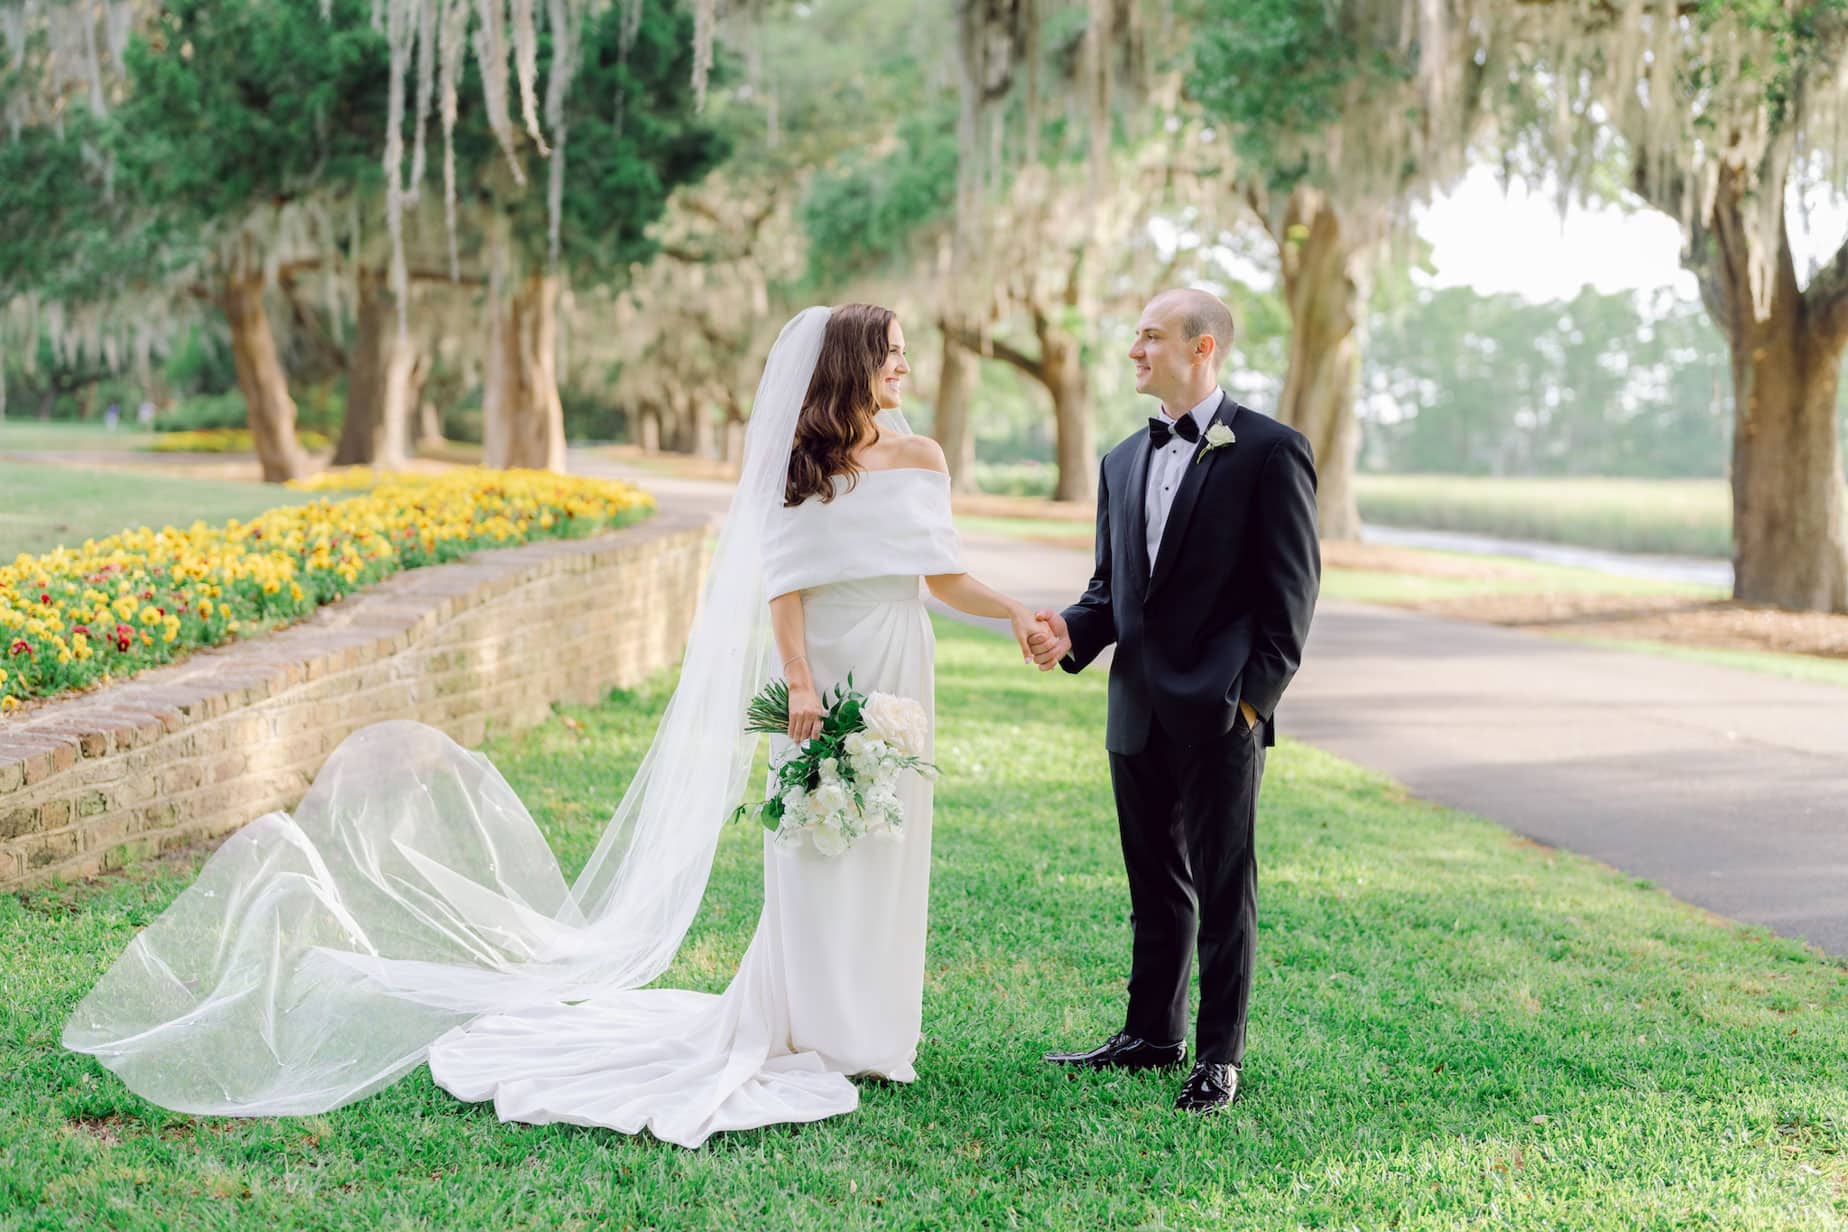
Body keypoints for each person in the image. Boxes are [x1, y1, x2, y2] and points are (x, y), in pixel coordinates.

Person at [64, 304, 1050, 1149]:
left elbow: (938, 570)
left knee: (887, 839)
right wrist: (796, 679)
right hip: (824, 665)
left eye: (904, 349)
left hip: (898, 658)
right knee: (808, 843)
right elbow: (784, 582)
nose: (902, 363)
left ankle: (875, 1032)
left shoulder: (922, 456)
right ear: (849, 366)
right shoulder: (804, 460)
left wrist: (1012, 610)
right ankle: (805, 1024)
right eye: (887, 349)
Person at [1028, 288, 1321, 1115]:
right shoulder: (1121, 459)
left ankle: (1219, 1059)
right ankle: (1152, 1035)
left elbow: (1290, 601)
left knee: (1226, 889)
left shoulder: (1271, 450)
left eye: (1150, 338)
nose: (1135, 351)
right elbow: (1110, 591)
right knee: (1154, 884)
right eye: (1135, 338)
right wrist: (1069, 635)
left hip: (1221, 712)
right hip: (1137, 709)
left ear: (1202, 349)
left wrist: (1252, 705)